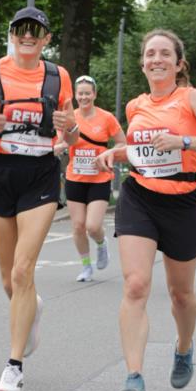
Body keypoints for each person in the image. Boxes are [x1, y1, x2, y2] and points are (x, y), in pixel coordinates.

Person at [95, 28, 196, 391]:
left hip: (184, 202)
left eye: (164, 54)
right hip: (139, 197)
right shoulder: (135, 106)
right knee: (136, 285)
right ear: (142, 64)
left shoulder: (192, 98)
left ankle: (184, 348)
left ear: (178, 63)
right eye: (150, 54)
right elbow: (143, 151)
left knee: (181, 295)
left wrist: (185, 141)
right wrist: (117, 153)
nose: (156, 59)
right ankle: (134, 376)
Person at [0, 6, 78, 391]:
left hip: (40, 174)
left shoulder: (58, 77)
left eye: (35, 31)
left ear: (46, 39)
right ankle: (32, 309)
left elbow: (72, 135)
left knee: (24, 270)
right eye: (21, 30)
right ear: (12, 34)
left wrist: (69, 129)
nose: (28, 36)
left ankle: (13, 369)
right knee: (10, 281)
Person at [62, 75, 125, 282]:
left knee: (92, 226)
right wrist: (56, 148)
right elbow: (61, 142)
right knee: (78, 226)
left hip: (99, 178)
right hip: (75, 178)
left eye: (87, 93)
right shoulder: (70, 117)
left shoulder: (106, 118)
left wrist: (108, 154)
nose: (84, 97)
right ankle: (86, 267)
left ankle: (101, 243)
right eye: (80, 93)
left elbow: (122, 143)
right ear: (75, 95)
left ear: (94, 94)